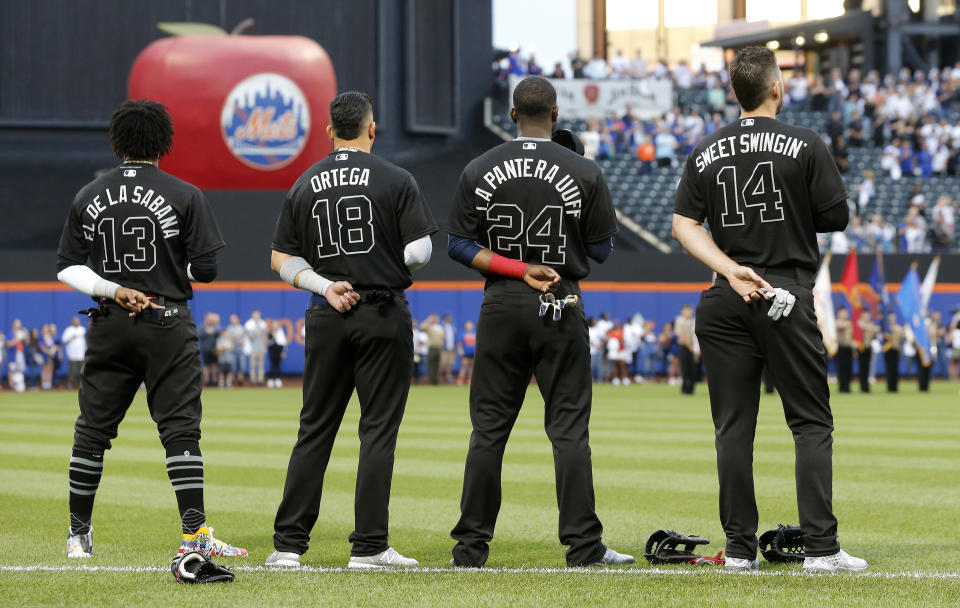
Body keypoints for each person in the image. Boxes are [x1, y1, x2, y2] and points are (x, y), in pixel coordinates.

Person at [671, 47, 866, 573]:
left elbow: (683, 225)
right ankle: (821, 549)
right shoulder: (803, 143)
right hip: (784, 289)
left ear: (737, 92)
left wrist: (731, 268)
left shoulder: (705, 150)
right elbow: (837, 217)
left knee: (733, 427)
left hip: (725, 294)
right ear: (776, 88)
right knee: (809, 421)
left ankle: (738, 550)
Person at [446, 76, 632, 567]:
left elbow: (458, 246)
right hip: (560, 298)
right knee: (569, 429)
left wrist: (513, 265)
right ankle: (584, 548)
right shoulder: (583, 168)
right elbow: (601, 250)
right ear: (555, 114)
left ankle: (470, 549)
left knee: (488, 430)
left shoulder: (479, 166)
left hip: (502, 303)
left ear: (512, 116)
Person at [55, 99, 245, 559]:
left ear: (117, 141)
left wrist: (114, 288)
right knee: (180, 430)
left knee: (93, 430)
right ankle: (194, 536)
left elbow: (66, 268)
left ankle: (78, 536)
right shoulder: (185, 193)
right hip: (167, 323)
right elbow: (207, 271)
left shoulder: (88, 195)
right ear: (165, 142)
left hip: (109, 322)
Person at [265, 91, 436, 569]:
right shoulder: (397, 178)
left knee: (314, 428)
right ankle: (368, 547)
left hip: (327, 310)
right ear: (371, 129)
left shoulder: (304, 182)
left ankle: (288, 547)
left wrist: (324, 285)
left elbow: (280, 259)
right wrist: (383, 261)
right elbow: (420, 252)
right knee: (377, 429)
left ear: (328, 132)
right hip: (381, 310)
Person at [675, 304, 697, 394]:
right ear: (682, 312)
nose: (689, 312)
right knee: (685, 368)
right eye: (686, 310)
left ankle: (691, 389)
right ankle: (684, 389)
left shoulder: (695, 321)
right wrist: (690, 347)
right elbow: (681, 336)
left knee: (693, 369)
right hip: (684, 348)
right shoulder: (680, 321)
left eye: (690, 310)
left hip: (694, 348)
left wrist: (695, 348)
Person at [61, 317, 87, 389]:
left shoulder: (82, 329)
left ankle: (84, 385)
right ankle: (70, 385)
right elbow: (64, 340)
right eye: (74, 321)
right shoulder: (68, 330)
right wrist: (72, 337)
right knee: (72, 372)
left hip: (81, 355)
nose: (76, 322)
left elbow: (85, 341)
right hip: (72, 355)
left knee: (83, 371)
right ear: (72, 322)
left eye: (77, 321)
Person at [244, 310, 268, 386]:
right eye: (255, 315)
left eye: (258, 315)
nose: (256, 316)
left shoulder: (262, 324)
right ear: (252, 315)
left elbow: (265, 336)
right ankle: (253, 380)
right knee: (253, 365)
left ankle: (260, 380)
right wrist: (255, 332)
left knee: (261, 365)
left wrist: (265, 347)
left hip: (261, 348)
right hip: (252, 348)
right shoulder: (249, 324)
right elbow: (248, 337)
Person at [858, 313, 880, 393]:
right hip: (861, 348)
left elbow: (875, 334)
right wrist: (872, 328)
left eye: (868, 315)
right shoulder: (859, 323)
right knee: (862, 368)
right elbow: (862, 326)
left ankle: (866, 387)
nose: (867, 317)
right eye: (865, 315)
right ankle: (862, 387)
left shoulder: (870, 324)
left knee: (867, 368)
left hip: (868, 348)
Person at [835, 308, 854, 393]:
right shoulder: (837, 322)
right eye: (843, 313)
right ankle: (842, 387)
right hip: (841, 348)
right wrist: (848, 324)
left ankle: (847, 387)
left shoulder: (849, 323)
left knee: (848, 368)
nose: (845, 314)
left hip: (849, 348)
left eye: (846, 313)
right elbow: (839, 327)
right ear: (839, 314)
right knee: (842, 368)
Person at [198, 312, 220, 386]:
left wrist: (216, 322)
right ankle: (206, 380)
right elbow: (199, 335)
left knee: (214, 364)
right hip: (206, 349)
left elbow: (220, 332)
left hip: (214, 349)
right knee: (206, 364)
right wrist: (206, 332)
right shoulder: (202, 327)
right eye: (209, 318)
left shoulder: (215, 326)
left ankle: (214, 380)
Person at [883, 313, 903, 392]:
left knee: (895, 369)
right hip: (888, 349)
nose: (892, 320)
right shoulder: (886, 328)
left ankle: (895, 387)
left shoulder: (898, 328)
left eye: (893, 318)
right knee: (889, 369)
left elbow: (902, 339)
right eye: (890, 318)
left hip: (896, 349)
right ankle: (889, 387)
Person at [266, 320, 287, 388]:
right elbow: (268, 343)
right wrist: (274, 337)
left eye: (276, 324)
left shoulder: (280, 332)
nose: (275, 325)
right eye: (274, 324)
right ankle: (271, 380)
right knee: (272, 365)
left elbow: (283, 342)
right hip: (272, 351)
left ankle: (278, 380)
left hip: (279, 350)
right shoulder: (269, 333)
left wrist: (283, 351)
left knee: (278, 365)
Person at [457, 320, 476, 385]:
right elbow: (459, 344)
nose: (469, 326)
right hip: (465, 353)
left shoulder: (474, 333)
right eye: (468, 325)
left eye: (470, 325)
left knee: (471, 367)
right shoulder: (462, 334)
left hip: (473, 353)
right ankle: (460, 380)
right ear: (465, 326)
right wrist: (461, 352)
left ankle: (469, 379)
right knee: (464, 366)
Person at [441, 314, 457, 384]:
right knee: (442, 364)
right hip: (444, 349)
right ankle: (440, 378)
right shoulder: (441, 326)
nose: (451, 318)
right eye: (449, 317)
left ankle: (448, 378)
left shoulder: (452, 327)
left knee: (449, 364)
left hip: (451, 348)